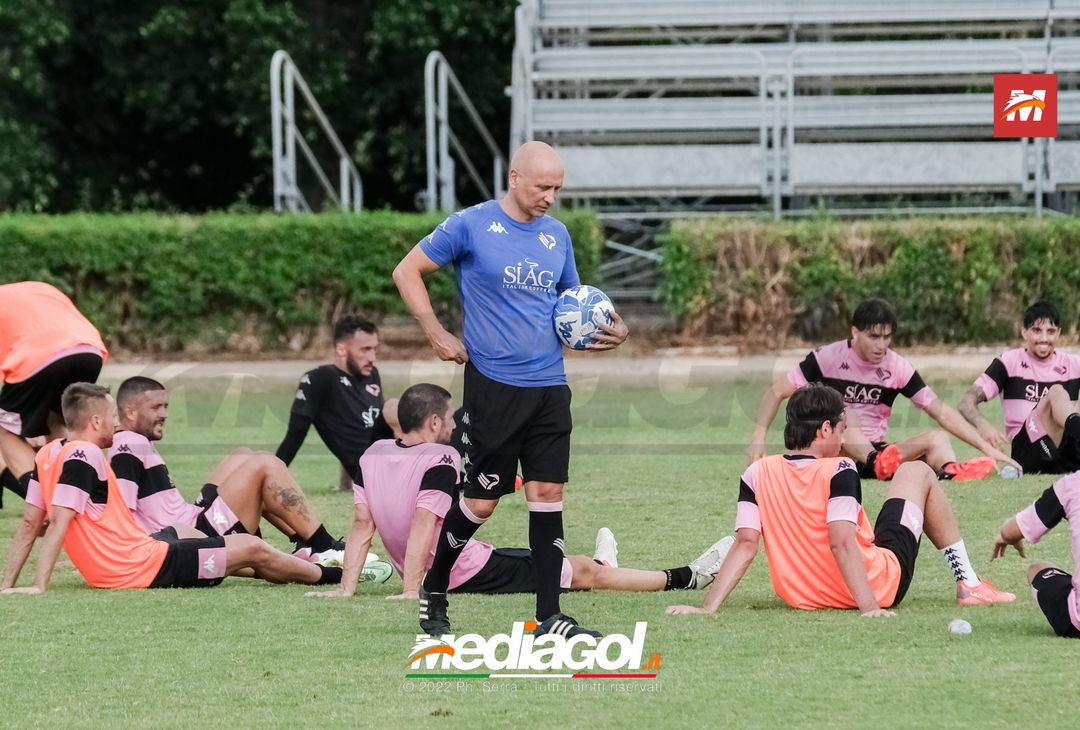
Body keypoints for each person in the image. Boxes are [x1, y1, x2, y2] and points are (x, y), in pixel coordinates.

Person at [392, 141, 629, 638]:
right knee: (481, 503)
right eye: (543, 186)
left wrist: (609, 329)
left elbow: (573, 308)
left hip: (549, 387)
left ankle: (549, 617)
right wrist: (436, 333)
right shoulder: (470, 224)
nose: (551, 197)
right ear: (515, 177)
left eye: (558, 188)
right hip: (493, 387)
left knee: (548, 494)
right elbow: (406, 270)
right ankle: (434, 590)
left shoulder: (557, 236)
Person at [306, 384, 733, 603]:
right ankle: (687, 576)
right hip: (465, 572)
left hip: (451, 568)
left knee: (562, 564)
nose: (454, 428)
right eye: (449, 422)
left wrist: (347, 589)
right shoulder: (440, 458)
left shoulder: (372, 454)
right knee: (583, 573)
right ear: (434, 423)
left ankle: (607, 562)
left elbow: (363, 526)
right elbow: (422, 525)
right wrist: (413, 590)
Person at [667, 384, 1015, 617]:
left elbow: (745, 544)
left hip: (803, 597)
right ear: (824, 430)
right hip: (878, 586)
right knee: (917, 472)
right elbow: (841, 543)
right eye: (842, 428)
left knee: (877, 523)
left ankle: (967, 583)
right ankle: (969, 583)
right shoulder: (840, 468)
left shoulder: (756, 473)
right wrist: (870, 608)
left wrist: (706, 609)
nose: (846, 436)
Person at [0, 383, 342, 594]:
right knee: (254, 548)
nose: (117, 424)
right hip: (144, 566)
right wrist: (39, 585)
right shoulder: (85, 453)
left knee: (231, 549)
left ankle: (311, 558)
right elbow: (58, 520)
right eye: (111, 417)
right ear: (95, 422)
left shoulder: (47, 454)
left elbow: (32, 523)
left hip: (145, 553)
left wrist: (7, 585)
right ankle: (331, 575)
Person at [747, 297, 1019, 481]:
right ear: (855, 333)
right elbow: (776, 391)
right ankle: (884, 463)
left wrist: (987, 448)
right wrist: (758, 436)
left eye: (887, 337)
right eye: (874, 336)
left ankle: (948, 472)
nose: (882, 345)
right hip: (836, 454)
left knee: (938, 438)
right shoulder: (827, 358)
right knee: (845, 413)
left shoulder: (897, 367)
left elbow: (943, 413)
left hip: (880, 455)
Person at [109, 376, 353, 563]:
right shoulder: (128, 446)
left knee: (242, 455)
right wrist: (152, 555)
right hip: (195, 537)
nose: (164, 414)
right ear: (130, 412)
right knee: (264, 463)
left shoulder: (134, 440)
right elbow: (122, 514)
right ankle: (324, 545)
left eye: (165, 406)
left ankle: (303, 542)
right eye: (156, 408)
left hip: (194, 518)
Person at [0, 281, 107, 507]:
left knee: (4, 429)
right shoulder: (36, 287)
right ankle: (93, 499)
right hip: (89, 349)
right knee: (60, 422)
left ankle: (45, 504)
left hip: (38, 357)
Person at [958, 301, 1080, 475]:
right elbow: (965, 402)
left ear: (1059, 333)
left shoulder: (1073, 364)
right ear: (1024, 332)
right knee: (1056, 392)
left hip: (1065, 451)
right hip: (1026, 450)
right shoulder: (1008, 362)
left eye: (1051, 331)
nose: (1044, 338)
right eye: (1037, 331)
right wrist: (983, 425)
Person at [276, 314, 391, 490]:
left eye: (375, 349)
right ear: (341, 349)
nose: (372, 357)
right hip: (379, 473)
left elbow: (364, 426)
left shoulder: (371, 373)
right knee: (398, 406)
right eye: (365, 349)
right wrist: (272, 476)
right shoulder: (319, 379)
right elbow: (295, 436)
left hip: (396, 458)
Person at [993, 473, 1080, 637]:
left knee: (1037, 568)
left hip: (1076, 622)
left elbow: (1009, 531)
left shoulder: (1071, 485)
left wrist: (1007, 537)